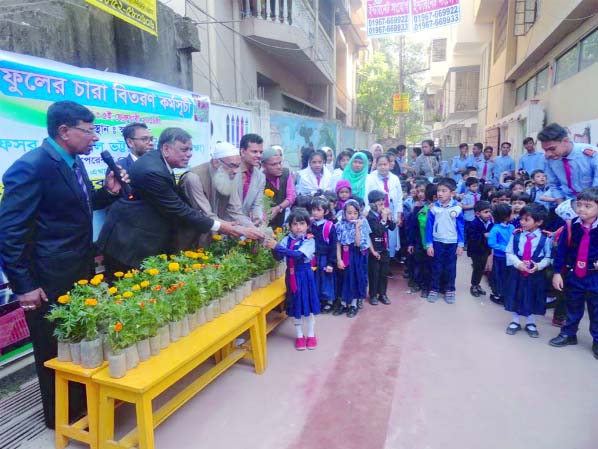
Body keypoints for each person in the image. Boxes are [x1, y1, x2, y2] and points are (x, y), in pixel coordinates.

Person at [0, 101, 128, 429]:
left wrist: (109, 193)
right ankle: (59, 418)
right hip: (47, 277)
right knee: (53, 347)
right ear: (64, 131)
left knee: (75, 340)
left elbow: (77, 207)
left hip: (77, 270)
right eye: (89, 131)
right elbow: (10, 231)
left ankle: (81, 408)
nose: (96, 138)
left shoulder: (72, 162)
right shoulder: (32, 166)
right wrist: (24, 285)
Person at [98, 128, 239, 272]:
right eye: (184, 150)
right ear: (166, 149)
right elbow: (178, 209)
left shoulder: (160, 163)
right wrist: (219, 226)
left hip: (140, 241)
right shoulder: (153, 171)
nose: (189, 154)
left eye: (190, 149)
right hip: (127, 245)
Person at [176, 141, 264, 249]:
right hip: (191, 239)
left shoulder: (230, 176)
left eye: (238, 166)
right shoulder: (193, 178)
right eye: (232, 165)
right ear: (216, 163)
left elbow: (235, 211)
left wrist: (254, 229)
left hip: (214, 238)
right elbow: (206, 215)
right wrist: (239, 230)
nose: (236, 171)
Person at [549, 187, 598, 360]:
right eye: (579, 205)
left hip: (595, 275)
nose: (582, 209)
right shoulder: (571, 226)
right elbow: (561, 251)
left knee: (596, 309)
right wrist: (557, 273)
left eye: (588, 206)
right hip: (574, 274)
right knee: (573, 305)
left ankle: (597, 340)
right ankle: (569, 334)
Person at [266, 208, 320, 351]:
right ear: (289, 226)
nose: (298, 227)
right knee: (296, 306)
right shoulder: (286, 239)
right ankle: (299, 335)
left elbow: (297, 255)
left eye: (302, 224)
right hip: (291, 277)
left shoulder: (309, 240)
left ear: (307, 225)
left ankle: (310, 334)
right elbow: (278, 257)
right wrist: (272, 247)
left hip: (305, 276)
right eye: (295, 224)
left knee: (307, 307)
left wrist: (277, 246)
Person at [504, 204, 552, 337]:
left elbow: (548, 257)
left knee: (533, 295)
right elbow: (509, 252)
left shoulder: (545, 238)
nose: (522, 222)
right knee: (516, 294)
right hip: (518, 272)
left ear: (539, 222)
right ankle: (515, 321)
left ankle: (531, 322)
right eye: (521, 219)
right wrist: (518, 264)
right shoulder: (516, 235)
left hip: (535, 274)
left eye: (527, 219)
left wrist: (539, 266)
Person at [425, 178, 464, 303]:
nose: (440, 193)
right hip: (437, 242)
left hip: (452, 243)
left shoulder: (457, 209)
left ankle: (450, 290)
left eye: (444, 191)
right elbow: (429, 227)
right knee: (436, 267)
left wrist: (461, 244)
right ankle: (434, 289)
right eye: (438, 191)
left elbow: (461, 227)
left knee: (451, 268)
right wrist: (429, 244)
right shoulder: (433, 208)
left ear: (451, 193)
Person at [539, 122, 598, 202]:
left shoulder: (591, 154)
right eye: (545, 150)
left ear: (565, 141)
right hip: (568, 202)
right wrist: (562, 206)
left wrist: (588, 208)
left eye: (552, 149)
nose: (548, 154)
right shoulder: (549, 159)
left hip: (593, 201)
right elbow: (554, 185)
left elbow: (596, 187)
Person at [335, 199, 369, 317]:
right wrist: (339, 259)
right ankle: (344, 304)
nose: (352, 215)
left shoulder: (361, 224)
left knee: (354, 278)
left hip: (355, 255)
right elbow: (338, 243)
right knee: (343, 278)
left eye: (355, 213)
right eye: (349, 212)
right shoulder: (339, 225)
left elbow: (358, 243)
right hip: (343, 254)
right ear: (344, 212)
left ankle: (353, 305)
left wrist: (357, 228)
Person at [366, 154, 404, 259]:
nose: (382, 167)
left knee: (391, 235)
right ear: (376, 165)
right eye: (380, 164)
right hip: (376, 210)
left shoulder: (395, 178)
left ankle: (389, 258)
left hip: (390, 208)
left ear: (390, 165)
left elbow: (399, 197)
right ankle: (378, 257)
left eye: (385, 164)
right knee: (378, 234)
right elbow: (366, 195)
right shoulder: (370, 178)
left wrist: (398, 214)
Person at [366, 190, 396, 305]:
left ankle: (383, 294)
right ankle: (373, 295)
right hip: (374, 249)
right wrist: (383, 219)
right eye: (380, 204)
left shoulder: (383, 215)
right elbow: (378, 231)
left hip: (384, 248)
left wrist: (389, 217)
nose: (383, 206)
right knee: (374, 273)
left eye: (384, 203)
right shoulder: (370, 217)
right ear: (372, 204)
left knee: (384, 273)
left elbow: (392, 227)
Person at [309, 196, 337, 314]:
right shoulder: (310, 225)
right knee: (316, 280)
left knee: (326, 280)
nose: (315, 212)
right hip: (314, 257)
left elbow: (333, 246)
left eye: (318, 210)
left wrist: (331, 263)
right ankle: (318, 301)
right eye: (314, 209)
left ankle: (329, 302)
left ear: (325, 212)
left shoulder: (329, 226)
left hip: (325, 258)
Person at [261, 146, 296, 229]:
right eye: (273, 164)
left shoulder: (286, 173)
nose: (279, 167)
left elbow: (291, 196)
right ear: (263, 165)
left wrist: (279, 207)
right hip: (264, 224)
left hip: (281, 223)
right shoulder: (260, 180)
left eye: (280, 163)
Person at [487, 203, 515, 304]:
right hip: (500, 258)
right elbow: (491, 243)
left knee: (508, 276)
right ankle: (499, 294)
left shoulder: (511, 227)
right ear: (506, 216)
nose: (514, 216)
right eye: (512, 214)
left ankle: (506, 294)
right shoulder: (496, 229)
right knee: (499, 276)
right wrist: (506, 248)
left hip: (510, 257)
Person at [238, 133, 266, 225]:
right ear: (242, 152)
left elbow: (257, 204)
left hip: (245, 228)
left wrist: (258, 220)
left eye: (261, 152)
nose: (259, 155)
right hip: (223, 225)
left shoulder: (260, 177)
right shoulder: (231, 171)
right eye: (254, 151)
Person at [467, 201, 493, 297]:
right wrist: (483, 235)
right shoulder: (474, 223)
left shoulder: (490, 223)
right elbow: (472, 236)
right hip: (476, 251)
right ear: (477, 214)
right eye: (485, 212)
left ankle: (477, 284)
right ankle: (474, 285)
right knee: (477, 268)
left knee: (481, 268)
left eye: (489, 212)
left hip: (485, 250)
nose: (489, 214)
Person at [461, 177, 481, 243]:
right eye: (473, 186)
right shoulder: (466, 196)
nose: (476, 188)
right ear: (468, 187)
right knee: (467, 231)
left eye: (476, 186)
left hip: (478, 217)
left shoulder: (479, 195)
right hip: (469, 218)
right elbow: (462, 206)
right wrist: (472, 206)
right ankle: (466, 244)